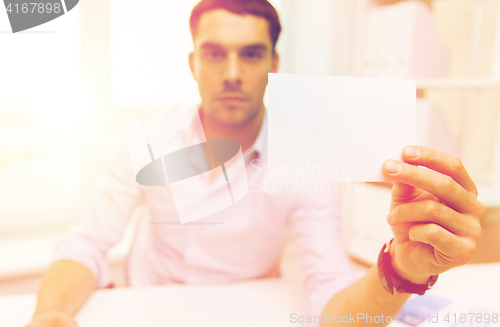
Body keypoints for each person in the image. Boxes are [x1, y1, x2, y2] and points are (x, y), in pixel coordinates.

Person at [26, 0, 487, 326]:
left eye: (249, 54)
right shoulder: (147, 140)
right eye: (214, 53)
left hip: (245, 313)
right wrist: (50, 313)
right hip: (152, 309)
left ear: (273, 62)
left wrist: (399, 270)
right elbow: (88, 243)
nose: (231, 73)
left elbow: (330, 300)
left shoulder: (306, 163)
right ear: (193, 63)